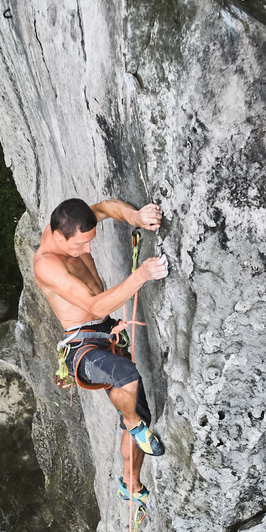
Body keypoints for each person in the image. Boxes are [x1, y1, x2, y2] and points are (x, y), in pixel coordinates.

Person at [33, 197, 168, 508]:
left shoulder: (70, 225)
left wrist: (135, 216)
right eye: (80, 246)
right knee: (126, 378)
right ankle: (133, 426)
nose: (88, 250)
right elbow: (94, 306)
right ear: (58, 237)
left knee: (141, 411)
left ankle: (130, 485)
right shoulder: (47, 264)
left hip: (106, 334)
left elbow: (106, 208)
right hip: (82, 348)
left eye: (89, 242)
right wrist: (142, 275)